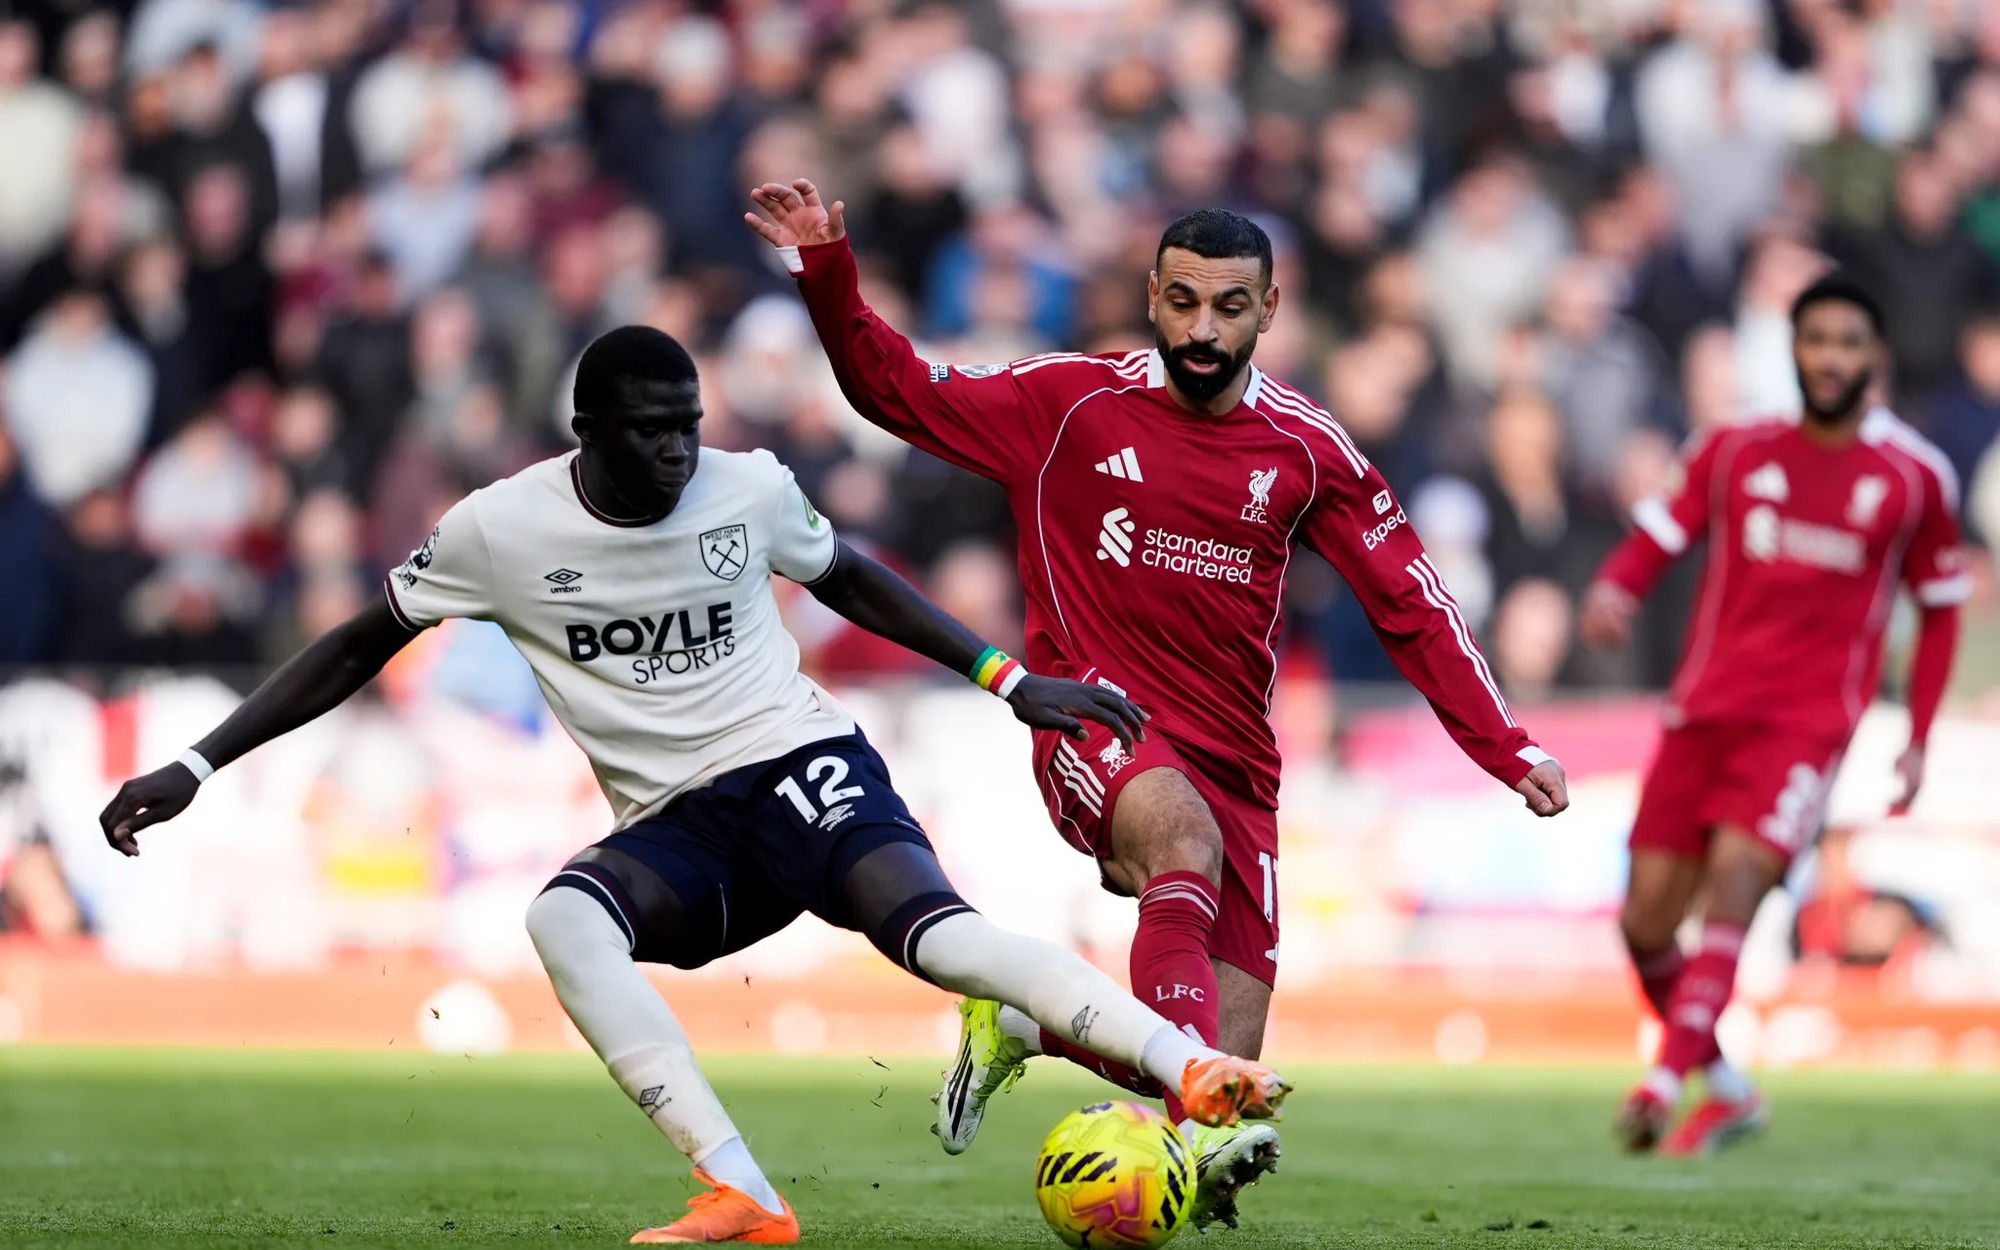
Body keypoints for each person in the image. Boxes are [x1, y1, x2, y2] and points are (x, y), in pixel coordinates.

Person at [97, 327, 1292, 1246]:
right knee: (563, 919)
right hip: (678, 827)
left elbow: (847, 577)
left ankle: (1187, 1065)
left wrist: (1004, 676)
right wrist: (196, 764)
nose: (678, 450)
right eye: (651, 431)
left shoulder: (746, 487)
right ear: (586, 431)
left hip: (799, 761)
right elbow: (358, 643)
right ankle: (742, 1190)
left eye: (687, 425)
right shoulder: (496, 530)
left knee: (937, 933)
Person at [746, 180, 1570, 1227]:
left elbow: (1410, 601)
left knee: (1217, 1071)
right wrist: (826, 271)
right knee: (1181, 855)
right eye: (1182, 302)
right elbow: (893, 389)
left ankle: (1026, 1025)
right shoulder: (1068, 402)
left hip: (1238, 761)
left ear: (1269, 311)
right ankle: (1159, 1083)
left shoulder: (1309, 450)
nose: (1202, 329)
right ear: (1151, 297)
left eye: (1228, 307)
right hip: (1098, 719)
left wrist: (1505, 745)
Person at [1579, 275, 1967, 1156]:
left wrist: (1918, 739)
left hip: (1807, 725)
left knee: (1741, 872)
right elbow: (1662, 532)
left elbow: (1942, 608)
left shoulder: (1912, 477)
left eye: (1848, 343)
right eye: (1816, 340)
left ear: (1875, 358)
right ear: (1793, 349)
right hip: (1704, 708)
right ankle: (1729, 1089)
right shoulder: (1733, 447)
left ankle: (1662, 1081)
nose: (1831, 358)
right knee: (1644, 924)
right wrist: (1615, 588)